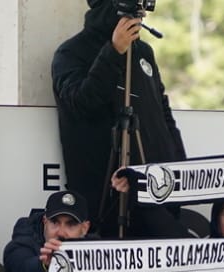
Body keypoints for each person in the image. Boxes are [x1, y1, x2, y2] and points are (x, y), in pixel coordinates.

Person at [52, 0, 184, 235]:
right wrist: (113, 52)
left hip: (154, 194)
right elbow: (81, 103)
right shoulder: (71, 52)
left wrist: (178, 170)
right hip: (104, 197)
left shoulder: (144, 52)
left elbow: (163, 115)